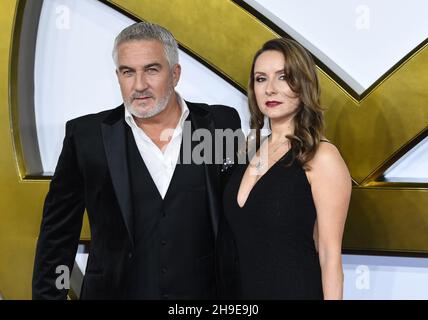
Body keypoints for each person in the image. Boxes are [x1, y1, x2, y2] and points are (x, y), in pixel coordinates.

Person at [32, 22, 241, 300]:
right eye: (128, 72)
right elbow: (57, 238)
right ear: (118, 76)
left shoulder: (219, 124)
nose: (139, 85)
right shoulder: (86, 137)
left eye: (151, 70)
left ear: (175, 73)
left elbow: (246, 220)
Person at [222, 38, 352, 299]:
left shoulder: (322, 157)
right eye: (260, 79)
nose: (270, 89)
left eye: (283, 77)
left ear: (303, 84)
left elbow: (329, 256)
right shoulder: (247, 150)